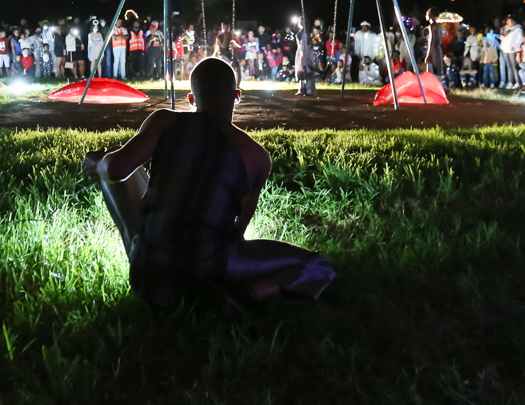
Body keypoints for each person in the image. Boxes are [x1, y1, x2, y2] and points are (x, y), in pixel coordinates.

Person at [82, 57, 335, 309]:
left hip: (146, 271)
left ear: (191, 99)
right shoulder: (257, 156)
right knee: (316, 266)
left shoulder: (164, 121)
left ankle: (154, 265)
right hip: (210, 268)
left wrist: (100, 163)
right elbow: (239, 230)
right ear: (237, 96)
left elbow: (116, 170)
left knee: (115, 160)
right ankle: (245, 294)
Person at [294, 18, 316, 96]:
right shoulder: (304, 31)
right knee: (302, 71)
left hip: (304, 51)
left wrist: (303, 54)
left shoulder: (305, 32)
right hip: (302, 50)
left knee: (306, 69)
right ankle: (303, 88)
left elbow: (304, 43)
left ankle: (308, 89)